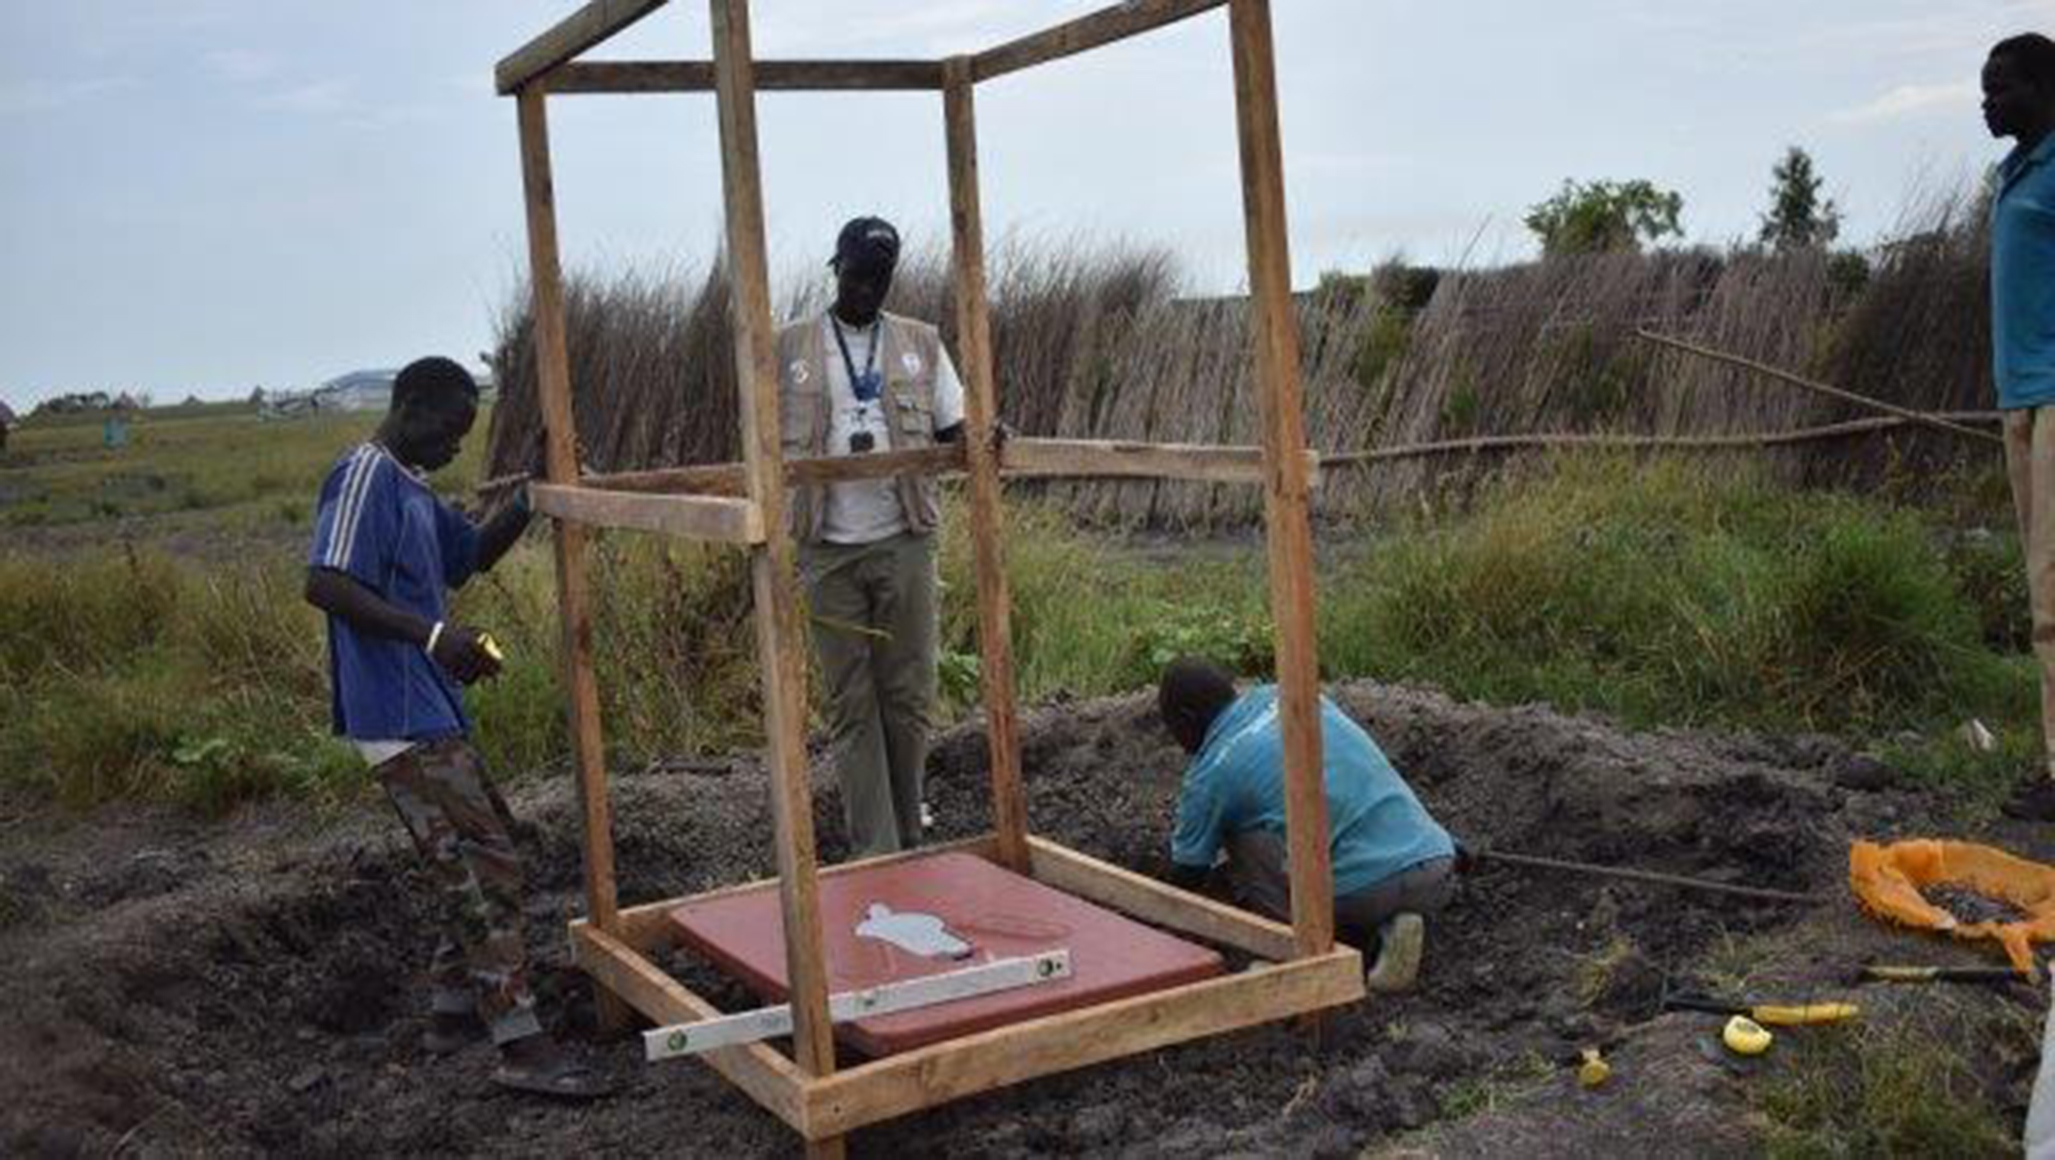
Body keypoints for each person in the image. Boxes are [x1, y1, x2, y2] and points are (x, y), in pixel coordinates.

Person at [302, 356, 607, 1099]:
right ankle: (520, 1044)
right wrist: (434, 639)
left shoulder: (411, 487)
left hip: (428, 708)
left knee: (476, 853)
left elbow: (467, 557)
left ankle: (451, 1015)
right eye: (446, 429)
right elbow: (326, 581)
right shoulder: (364, 474)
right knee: (486, 863)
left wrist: (531, 493)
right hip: (396, 714)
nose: (452, 448)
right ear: (407, 406)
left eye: (463, 435)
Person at [778, 217, 968, 858]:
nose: (867, 289)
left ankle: (909, 834)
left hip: (904, 540)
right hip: (828, 546)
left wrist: (985, 439)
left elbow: (954, 429)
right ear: (836, 270)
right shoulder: (790, 348)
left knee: (909, 695)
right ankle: (876, 849)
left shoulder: (920, 342)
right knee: (851, 703)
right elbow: (755, 439)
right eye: (858, 276)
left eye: (879, 279)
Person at [1157, 657, 1457, 992]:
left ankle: (1289, 948)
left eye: (1174, 730)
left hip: (1361, 894)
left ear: (1187, 719)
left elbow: (1187, 876)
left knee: (1239, 831)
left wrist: (1155, 930)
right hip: (1436, 863)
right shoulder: (1290, 695)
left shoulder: (1210, 774)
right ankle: (1390, 930)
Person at [1986, 33, 2055, 821]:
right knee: (2043, 592)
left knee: (2051, 591)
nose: (1987, 103)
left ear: (2042, 88)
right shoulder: (2011, 174)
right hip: (2021, 399)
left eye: (2001, 89)